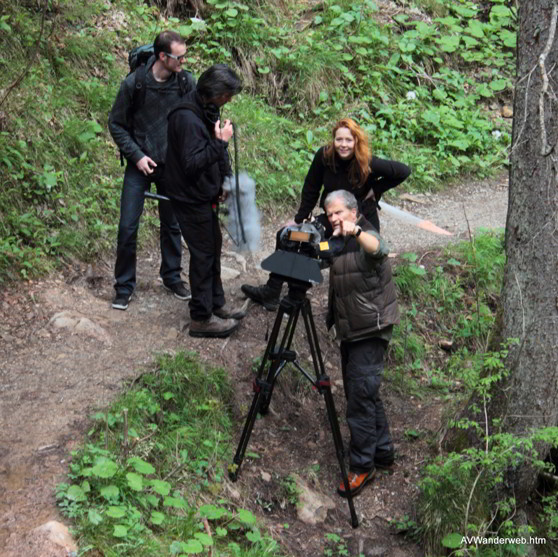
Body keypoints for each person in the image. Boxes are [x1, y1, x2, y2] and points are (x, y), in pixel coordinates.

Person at [241, 117, 410, 311]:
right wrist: (300, 219)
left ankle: (314, 299)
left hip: (358, 226)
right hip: (331, 220)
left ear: (356, 141)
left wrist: (377, 188)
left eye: (348, 140)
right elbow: (311, 186)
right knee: (290, 236)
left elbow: (403, 171)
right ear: (333, 140)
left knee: (321, 250)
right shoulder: (325, 156)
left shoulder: (366, 161)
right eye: (339, 139)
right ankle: (274, 292)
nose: (343, 145)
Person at [108, 30, 196, 310]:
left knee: (172, 224)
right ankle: (123, 286)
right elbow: (116, 124)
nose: (183, 61)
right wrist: (137, 156)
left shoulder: (185, 82)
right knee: (127, 226)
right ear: (162, 56)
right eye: (178, 57)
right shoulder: (135, 83)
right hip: (140, 164)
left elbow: (195, 118)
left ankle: (172, 276)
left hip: (173, 166)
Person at [323, 189, 399, 497]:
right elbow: (322, 252)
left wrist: (355, 231)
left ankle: (362, 468)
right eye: (330, 215)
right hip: (351, 329)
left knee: (359, 400)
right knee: (366, 393)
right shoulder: (338, 242)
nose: (334, 219)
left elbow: (379, 248)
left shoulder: (365, 234)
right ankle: (383, 452)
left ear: (354, 212)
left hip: (370, 328)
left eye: (339, 213)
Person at [164, 64, 244, 338]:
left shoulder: (207, 109)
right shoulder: (186, 119)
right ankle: (200, 317)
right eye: (227, 95)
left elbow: (213, 154)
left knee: (213, 245)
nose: (229, 101)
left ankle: (216, 303)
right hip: (189, 197)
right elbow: (192, 164)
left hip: (204, 192)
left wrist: (225, 179)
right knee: (203, 253)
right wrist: (221, 142)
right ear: (215, 92)